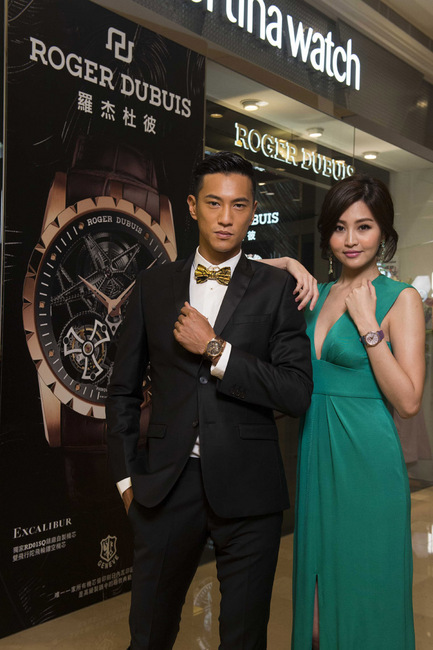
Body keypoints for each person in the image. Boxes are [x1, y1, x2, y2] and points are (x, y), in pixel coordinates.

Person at [106, 151, 314, 650]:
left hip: (250, 490)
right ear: (192, 206)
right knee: (148, 636)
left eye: (239, 205)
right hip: (165, 488)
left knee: (244, 639)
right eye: (214, 203)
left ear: (253, 210)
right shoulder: (154, 285)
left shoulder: (276, 288)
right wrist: (127, 479)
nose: (226, 217)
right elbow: (122, 390)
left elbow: (295, 391)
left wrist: (217, 351)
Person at [290, 174, 425, 650]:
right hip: (316, 455)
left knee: (366, 604)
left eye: (364, 227)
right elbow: (234, 271)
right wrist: (287, 261)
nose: (351, 239)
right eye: (339, 227)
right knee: (315, 618)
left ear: (383, 233)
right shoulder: (315, 294)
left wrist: (369, 325)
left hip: (368, 464)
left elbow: (408, 401)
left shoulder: (401, 298)